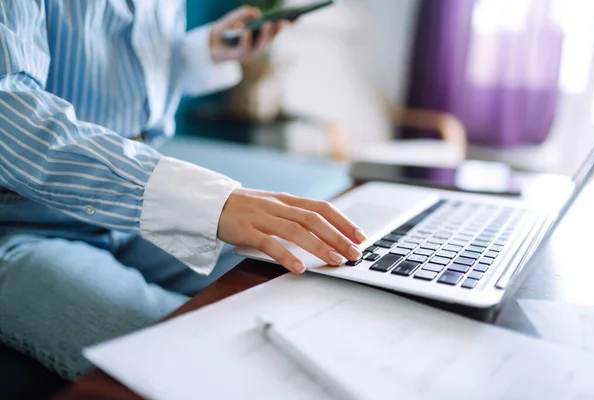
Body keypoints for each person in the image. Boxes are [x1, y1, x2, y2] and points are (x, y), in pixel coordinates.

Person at [0, 0, 365, 380]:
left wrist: (202, 50)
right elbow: (8, 116)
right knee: (206, 357)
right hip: (20, 221)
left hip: (129, 209)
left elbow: (121, 70)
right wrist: (209, 203)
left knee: (304, 282)